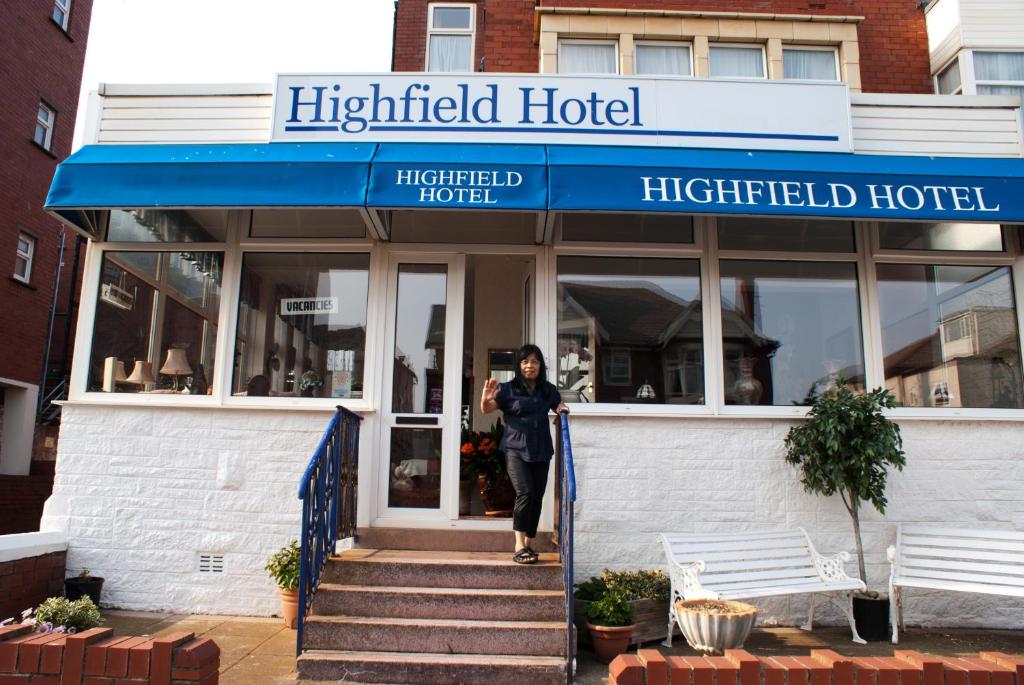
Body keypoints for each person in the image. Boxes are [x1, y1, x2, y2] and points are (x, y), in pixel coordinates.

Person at [480, 344, 568, 564]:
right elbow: (487, 409)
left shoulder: (547, 389)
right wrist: (485, 398)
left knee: (536, 497)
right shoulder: (508, 389)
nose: (530, 366)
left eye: (535, 361)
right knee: (525, 493)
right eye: (525, 361)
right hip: (515, 449)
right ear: (519, 366)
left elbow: (558, 405)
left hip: (541, 449)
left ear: (540, 366)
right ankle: (518, 544)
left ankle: (528, 543)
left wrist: (562, 409)